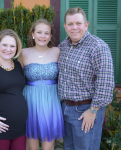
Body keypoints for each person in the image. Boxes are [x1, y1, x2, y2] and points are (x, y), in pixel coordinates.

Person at [58, 7, 114, 150]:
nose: (74, 27)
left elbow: (105, 83)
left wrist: (93, 110)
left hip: (86, 110)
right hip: (65, 109)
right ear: (65, 26)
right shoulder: (63, 47)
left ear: (86, 25)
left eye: (78, 23)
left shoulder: (98, 47)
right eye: (70, 24)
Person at [18, 19, 65, 150]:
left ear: (50, 36)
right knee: (31, 145)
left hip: (51, 101)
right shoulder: (23, 53)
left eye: (46, 33)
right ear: (33, 34)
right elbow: (16, 79)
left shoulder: (57, 51)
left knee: (48, 144)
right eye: (39, 32)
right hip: (30, 101)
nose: (42, 36)